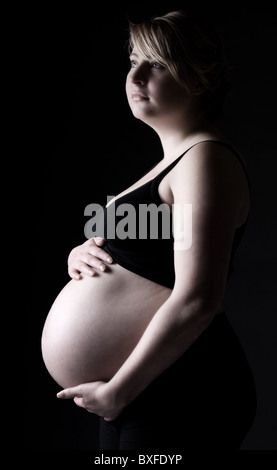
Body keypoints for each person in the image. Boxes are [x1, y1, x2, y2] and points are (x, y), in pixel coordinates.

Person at [41, 11, 257, 450]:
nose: (135, 75)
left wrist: (118, 390)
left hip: (179, 388)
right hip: (138, 388)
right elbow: (149, 253)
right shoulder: (171, 163)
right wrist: (82, 256)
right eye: (134, 60)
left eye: (156, 64)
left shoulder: (205, 158)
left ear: (198, 79)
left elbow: (198, 297)